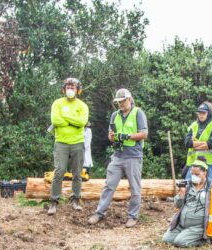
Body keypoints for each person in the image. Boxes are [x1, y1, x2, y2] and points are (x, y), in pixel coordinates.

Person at [89, 88, 148, 228]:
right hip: (117, 155)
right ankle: (99, 213)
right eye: (118, 102)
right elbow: (110, 136)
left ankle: (133, 216)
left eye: (123, 101)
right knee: (109, 185)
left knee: (135, 188)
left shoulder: (138, 113)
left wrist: (126, 136)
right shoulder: (114, 115)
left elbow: (144, 134)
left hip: (133, 155)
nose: (121, 104)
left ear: (129, 99)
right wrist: (113, 137)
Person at [48, 77, 90, 215]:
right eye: (68, 88)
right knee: (59, 171)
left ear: (78, 90)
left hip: (78, 142)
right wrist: (73, 121)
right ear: (64, 89)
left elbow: (82, 122)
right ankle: (53, 202)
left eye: (73, 88)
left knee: (77, 173)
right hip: (61, 142)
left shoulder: (83, 106)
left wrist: (65, 118)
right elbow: (55, 120)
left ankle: (76, 200)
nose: (70, 90)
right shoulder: (57, 103)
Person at [163, 159, 212, 247]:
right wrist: (181, 195)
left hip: (198, 227)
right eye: (192, 174)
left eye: (197, 174)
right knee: (166, 240)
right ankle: (185, 233)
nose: (194, 176)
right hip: (181, 224)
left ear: (205, 173)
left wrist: (207, 217)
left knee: (179, 242)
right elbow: (177, 205)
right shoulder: (187, 184)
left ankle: (204, 240)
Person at [184, 103, 212, 181]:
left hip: (209, 162)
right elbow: (187, 143)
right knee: (187, 185)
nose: (201, 115)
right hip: (194, 162)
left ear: (208, 114)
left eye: (203, 113)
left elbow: (211, 144)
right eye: (199, 113)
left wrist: (194, 145)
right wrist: (204, 143)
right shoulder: (193, 126)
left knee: (208, 186)